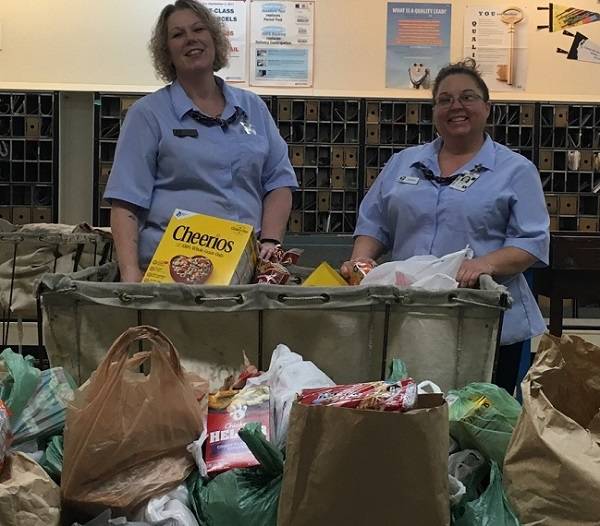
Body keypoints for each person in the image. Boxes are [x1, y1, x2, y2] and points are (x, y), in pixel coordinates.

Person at [341, 59, 549, 393]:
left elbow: (530, 243)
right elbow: (374, 223)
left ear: (487, 108)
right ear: (434, 110)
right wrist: (360, 262)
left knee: (479, 419)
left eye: (467, 97)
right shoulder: (403, 162)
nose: (456, 107)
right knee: (409, 409)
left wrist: (483, 265)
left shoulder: (516, 171)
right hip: (408, 316)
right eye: (445, 99)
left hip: (485, 321)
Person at [104, 0, 297, 282]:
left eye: (198, 29)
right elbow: (125, 204)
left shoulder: (253, 107)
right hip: (172, 273)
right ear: (166, 52)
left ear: (214, 39)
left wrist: (270, 242)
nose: (191, 38)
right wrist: (131, 275)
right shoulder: (147, 115)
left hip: (247, 273)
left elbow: (279, 181)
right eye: (177, 34)